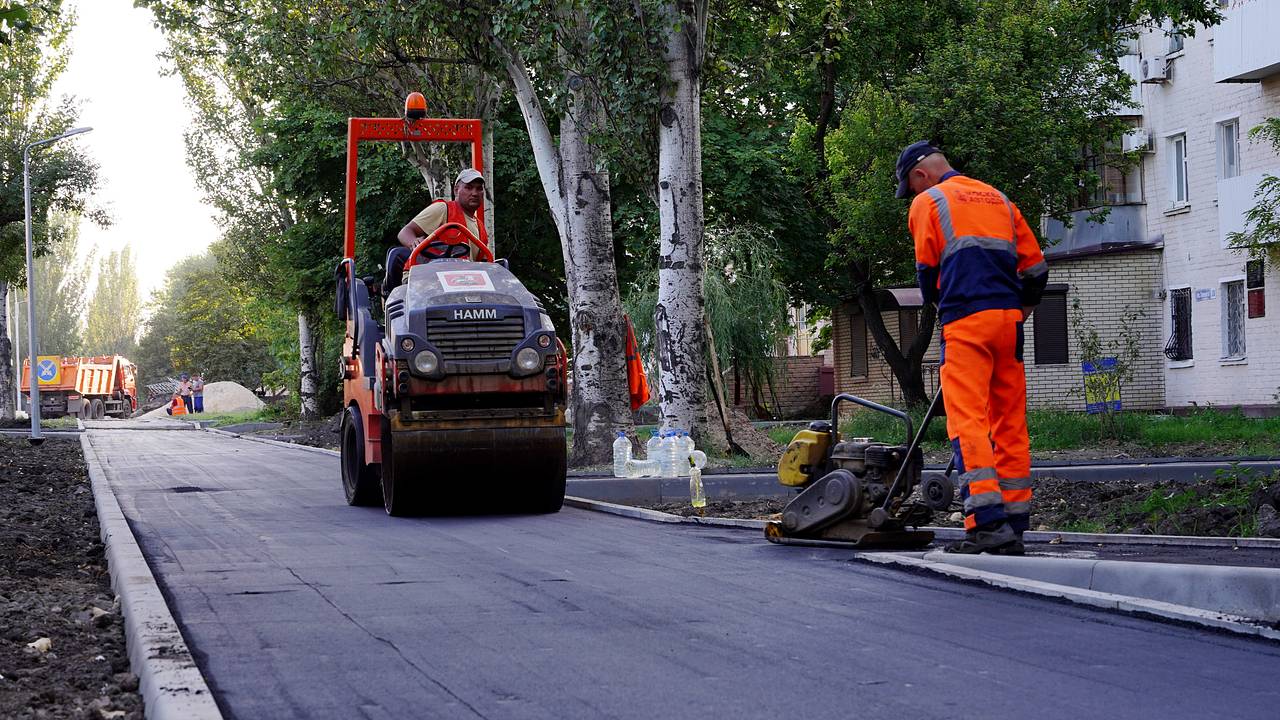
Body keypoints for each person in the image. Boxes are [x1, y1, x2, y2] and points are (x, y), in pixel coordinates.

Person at [896, 141, 1048, 555]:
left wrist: (942, 305)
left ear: (920, 176)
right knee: (1009, 422)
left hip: (966, 321)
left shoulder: (929, 201)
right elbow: (1036, 271)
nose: (911, 195)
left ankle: (986, 524)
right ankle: (1014, 525)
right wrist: (1018, 314)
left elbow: (927, 273)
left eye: (909, 187)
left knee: (968, 422)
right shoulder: (998, 198)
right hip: (1008, 323)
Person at [384, 168, 490, 295]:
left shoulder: (481, 228)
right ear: (456, 190)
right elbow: (405, 232)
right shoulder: (443, 209)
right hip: (427, 278)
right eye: (469, 187)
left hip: (462, 283)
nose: (474, 193)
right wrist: (414, 242)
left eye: (479, 188)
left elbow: (484, 265)